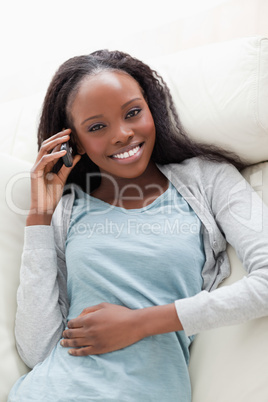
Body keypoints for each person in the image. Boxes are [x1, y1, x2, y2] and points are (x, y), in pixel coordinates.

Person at [8, 50, 268, 402]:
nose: (122, 134)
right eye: (97, 127)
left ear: (152, 108)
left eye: (133, 113)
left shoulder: (208, 180)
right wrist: (39, 216)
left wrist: (141, 323)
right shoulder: (67, 210)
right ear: (75, 142)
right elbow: (37, 349)